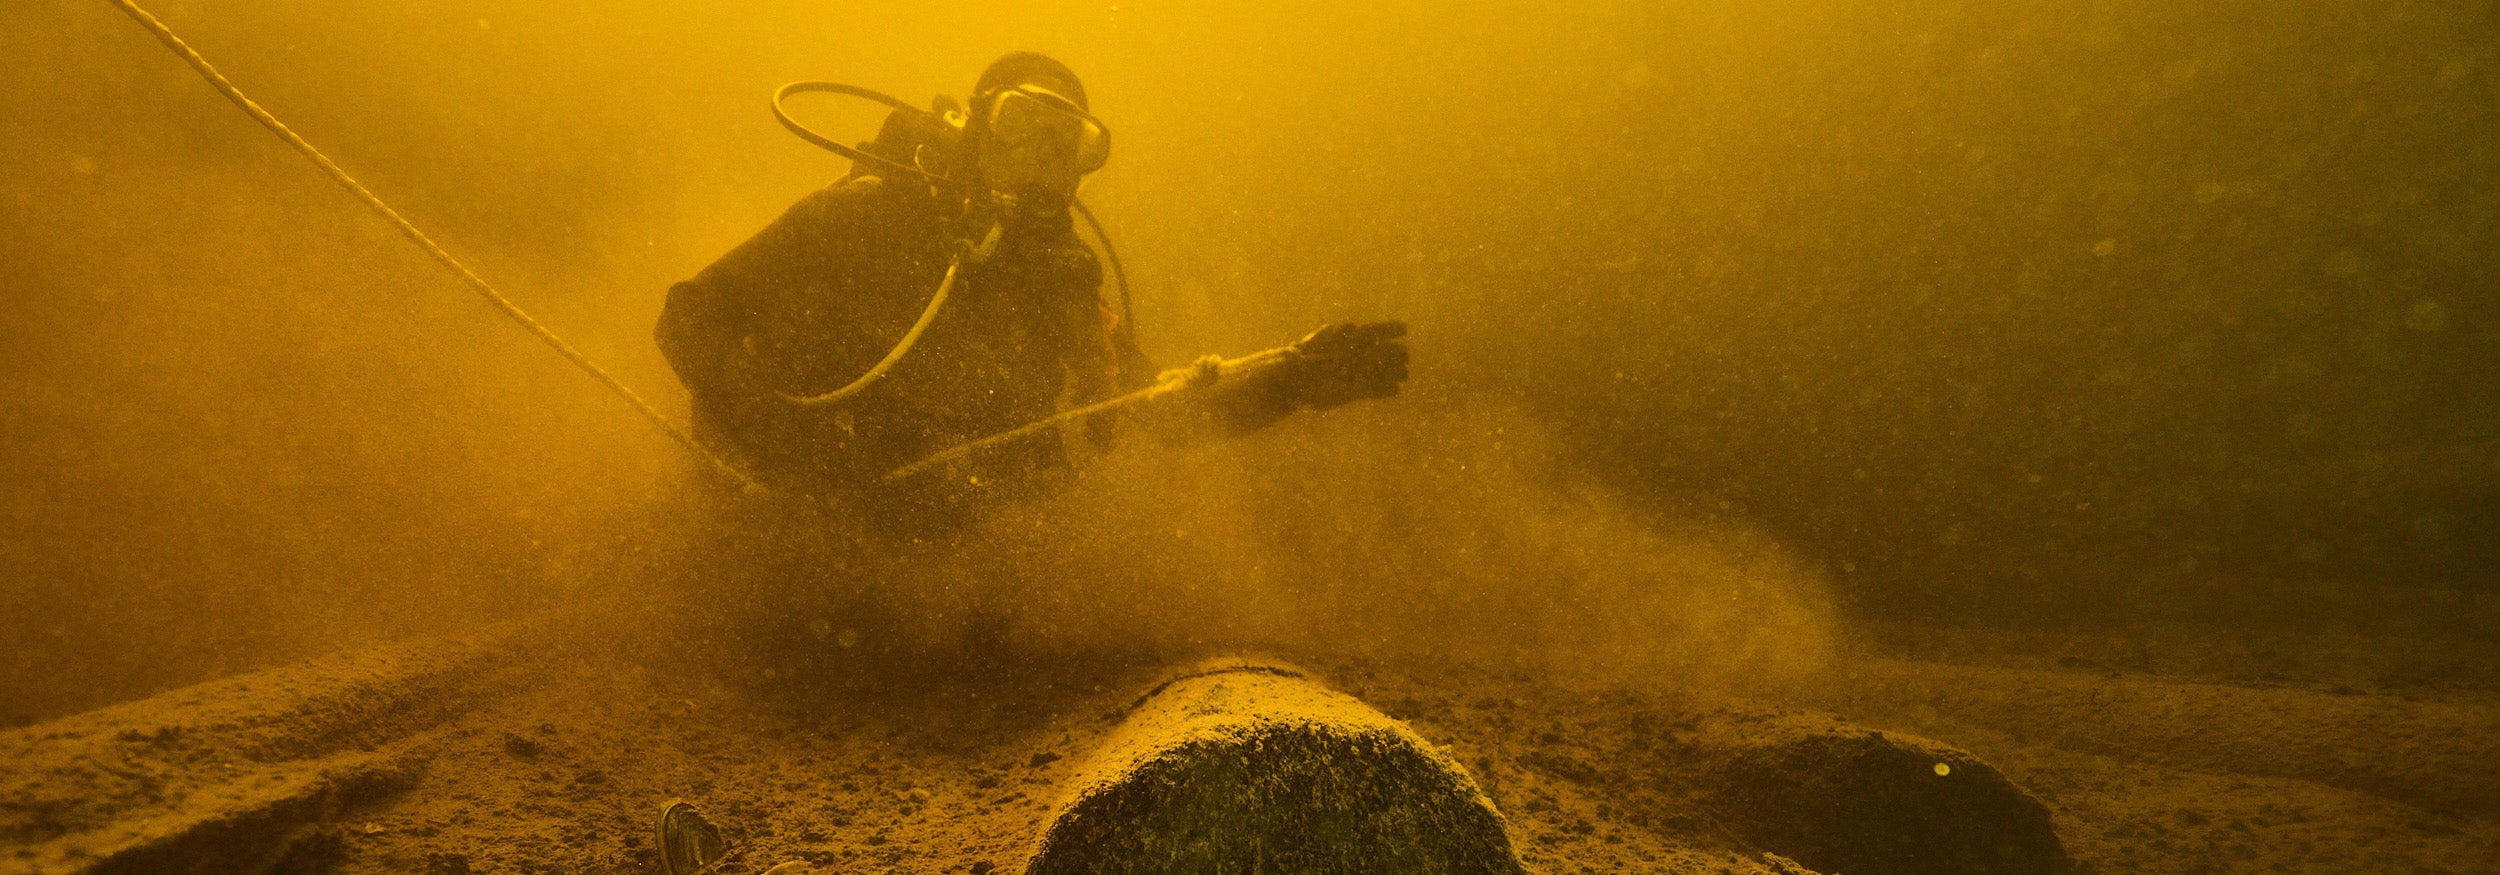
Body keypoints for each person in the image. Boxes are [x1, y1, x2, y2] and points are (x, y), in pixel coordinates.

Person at [655, 52, 1406, 526]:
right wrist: (779, 439)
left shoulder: (1060, 285)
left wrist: (1292, 379)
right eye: (1020, 122)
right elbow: (688, 313)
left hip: (920, 551)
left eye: (1067, 141)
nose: (1041, 154)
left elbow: (1159, 411)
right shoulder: (863, 216)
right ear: (977, 129)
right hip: (774, 507)